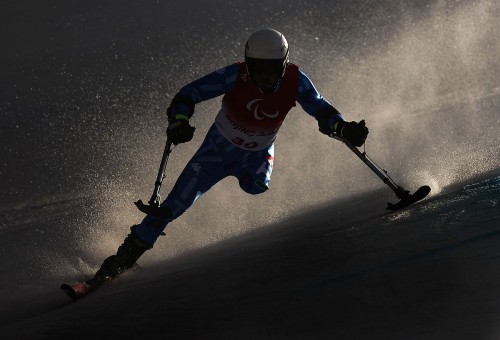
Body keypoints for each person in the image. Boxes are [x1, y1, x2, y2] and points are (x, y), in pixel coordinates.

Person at [82, 28, 368, 292]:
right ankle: (119, 261)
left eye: (272, 70)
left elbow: (322, 110)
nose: (264, 77)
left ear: (284, 65)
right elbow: (188, 94)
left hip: (257, 155)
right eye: (258, 69)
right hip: (215, 153)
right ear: (248, 63)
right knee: (172, 206)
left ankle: (127, 256)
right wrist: (179, 120)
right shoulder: (236, 75)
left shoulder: (296, 81)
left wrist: (343, 127)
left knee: (256, 185)